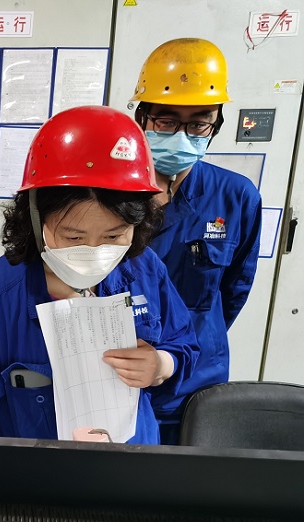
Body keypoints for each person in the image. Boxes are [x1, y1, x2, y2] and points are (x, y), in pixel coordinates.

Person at [0, 106, 199, 443]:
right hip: (38, 471)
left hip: (131, 463)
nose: (94, 252)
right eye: (74, 238)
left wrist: (162, 365)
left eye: (113, 236)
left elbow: (184, 344)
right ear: (36, 220)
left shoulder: (145, 269)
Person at [131, 38, 263, 444]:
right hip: (122, 372)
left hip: (196, 384)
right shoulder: (111, 194)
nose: (182, 135)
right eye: (167, 121)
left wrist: (195, 335)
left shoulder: (236, 196)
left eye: (198, 124)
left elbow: (234, 289)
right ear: (142, 118)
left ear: (215, 125)